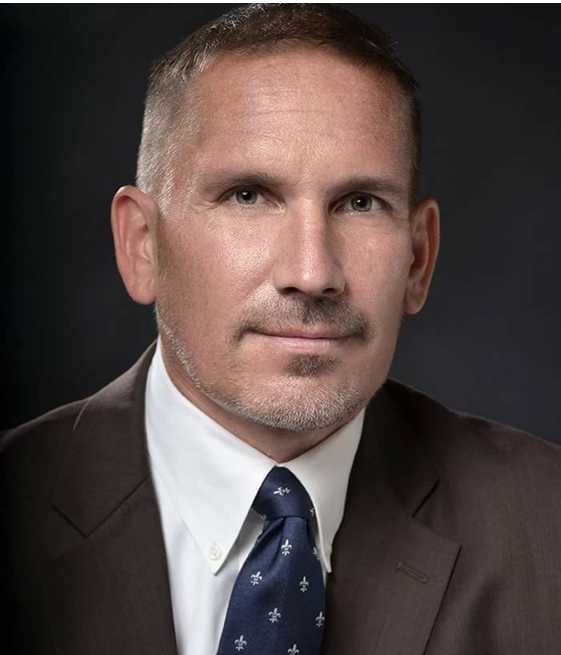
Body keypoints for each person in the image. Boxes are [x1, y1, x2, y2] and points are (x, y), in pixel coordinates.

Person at [2, 4, 561, 655]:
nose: (312, 272)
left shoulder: (545, 525)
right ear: (142, 245)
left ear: (418, 258)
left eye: (359, 203)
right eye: (247, 195)